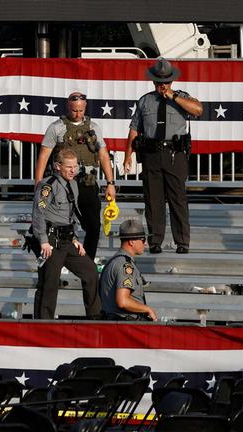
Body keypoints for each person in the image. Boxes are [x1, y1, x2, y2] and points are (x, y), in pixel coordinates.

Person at [124, 58, 203, 255]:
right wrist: (128, 156)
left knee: (178, 199)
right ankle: (155, 240)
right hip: (151, 154)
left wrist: (173, 96)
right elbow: (134, 130)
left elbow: (198, 110)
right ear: (153, 82)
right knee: (153, 199)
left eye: (166, 82)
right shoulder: (145, 100)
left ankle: (182, 242)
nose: (163, 85)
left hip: (174, 154)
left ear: (172, 82)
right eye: (159, 82)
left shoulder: (182, 97)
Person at [35, 91, 116, 260]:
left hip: (87, 183)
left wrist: (110, 182)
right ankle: (60, 259)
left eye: (80, 110)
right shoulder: (56, 127)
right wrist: (38, 182)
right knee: (61, 224)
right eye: (74, 110)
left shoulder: (94, 128)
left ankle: (87, 262)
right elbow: (44, 155)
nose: (77, 114)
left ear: (85, 107)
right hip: (62, 185)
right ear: (68, 107)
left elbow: (103, 155)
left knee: (93, 227)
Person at [32, 148, 102, 320]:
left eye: (75, 166)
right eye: (69, 167)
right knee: (49, 282)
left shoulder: (73, 184)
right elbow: (38, 214)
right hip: (50, 240)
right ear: (57, 166)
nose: (73, 170)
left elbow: (71, 215)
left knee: (90, 271)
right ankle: (43, 324)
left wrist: (75, 239)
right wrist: (43, 241)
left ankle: (95, 318)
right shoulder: (47, 186)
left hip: (67, 239)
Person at [99, 220, 157, 321]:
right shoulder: (126, 266)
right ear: (131, 242)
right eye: (143, 240)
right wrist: (147, 309)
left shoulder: (114, 261)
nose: (146, 243)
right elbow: (123, 301)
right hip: (126, 324)